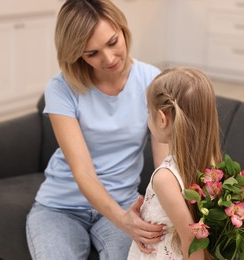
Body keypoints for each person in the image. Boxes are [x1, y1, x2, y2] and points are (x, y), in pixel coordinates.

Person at [25, 0, 169, 259]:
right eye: (92, 53)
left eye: (113, 42)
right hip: (60, 207)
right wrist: (123, 222)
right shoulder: (61, 88)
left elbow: (164, 164)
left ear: (123, 30)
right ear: (77, 53)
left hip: (126, 204)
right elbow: (83, 173)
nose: (109, 58)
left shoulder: (151, 80)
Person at [127, 67, 221, 260]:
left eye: (148, 111)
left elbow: (192, 241)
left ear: (162, 119)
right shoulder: (212, 166)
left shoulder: (164, 177)